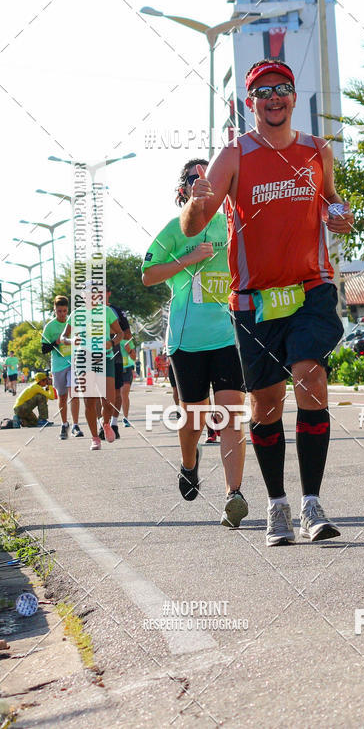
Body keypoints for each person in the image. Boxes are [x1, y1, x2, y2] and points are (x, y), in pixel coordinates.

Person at [181, 57, 355, 546]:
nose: (274, 98)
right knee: (266, 403)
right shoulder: (234, 155)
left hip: (311, 288)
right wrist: (197, 202)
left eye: (283, 89)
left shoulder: (317, 151)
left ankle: (312, 505)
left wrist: (339, 214)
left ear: (294, 97)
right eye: (264, 92)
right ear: (250, 103)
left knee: (310, 376)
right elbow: (194, 224)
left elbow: (331, 201)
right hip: (254, 299)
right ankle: (277, 507)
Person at [142, 158, 248, 529]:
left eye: (209, 176)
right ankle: (189, 464)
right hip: (186, 341)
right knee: (196, 416)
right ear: (183, 189)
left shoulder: (230, 223)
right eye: (193, 178)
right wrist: (188, 258)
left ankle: (233, 494)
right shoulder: (174, 229)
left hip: (226, 337)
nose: (202, 181)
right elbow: (148, 274)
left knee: (232, 414)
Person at [60, 297, 123, 450]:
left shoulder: (107, 311)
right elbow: (63, 338)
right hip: (83, 359)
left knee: (109, 401)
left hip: (105, 358)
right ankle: (95, 438)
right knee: (89, 401)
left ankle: (106, 423)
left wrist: (112, 342)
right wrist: (71, 339)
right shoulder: (76, 314)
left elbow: (120, 333)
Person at [41, 295, 83, 439]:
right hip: (58, 366)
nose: (63, 314)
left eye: (65, 311)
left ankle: (76, 425)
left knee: (74, 393)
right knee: (63, 396)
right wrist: (56, 342)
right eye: (59, 311)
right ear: (54, 310)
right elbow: (44, 348)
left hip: (74, 363)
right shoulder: (50, 327)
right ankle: (65, 424)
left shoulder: (73, 323)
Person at [100, 289, 132, 440]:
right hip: (92, 357)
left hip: (115, 355)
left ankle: (113, 424)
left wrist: (111, 335)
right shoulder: (84, 313)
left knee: (116, 393)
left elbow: (127, 334)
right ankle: (101, 423)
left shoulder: (116, 311)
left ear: (109, 293)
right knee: (97, 395)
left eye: (102, 292)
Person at [119, 336, 136, 427]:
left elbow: (134, 358)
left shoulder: (128, 341)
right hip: (113, 369)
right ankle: (109, 419)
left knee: (124, 393)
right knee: (114, 396)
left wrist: (129, 350)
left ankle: (125, 418)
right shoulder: (108, 339)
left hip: (126, 369)